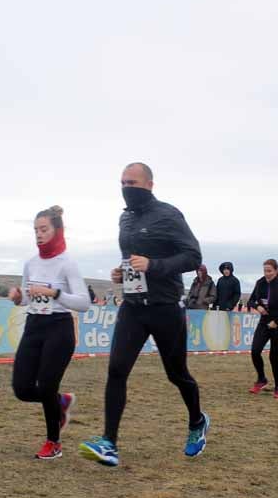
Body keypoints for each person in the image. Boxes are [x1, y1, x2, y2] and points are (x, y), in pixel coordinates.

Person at [79, 163, 209, 467]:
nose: (127, 188)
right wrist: (122, 272)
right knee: (116, 370)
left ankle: (197, 422)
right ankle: (109, 443)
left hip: (165, 307)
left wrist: (154, 265)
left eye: (132, 183)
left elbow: (193, 257)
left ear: (149, 185)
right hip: (133, 306)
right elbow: (131, 259)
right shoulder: (124, 218)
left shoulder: (169, 215)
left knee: (176, 374)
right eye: (123, 183)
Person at [7, 206, 91, 459]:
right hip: (34, 326)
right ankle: (60, 401)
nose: (38, 234)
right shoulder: (31, 263)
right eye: (35, 230)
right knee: (22, 389)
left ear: (57, 230)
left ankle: (53, 443)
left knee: (46, 385)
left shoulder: (67, 264)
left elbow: (84, 303)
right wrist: (19, 297)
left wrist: (54, 293)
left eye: (44, 229)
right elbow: (26, 299)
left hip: (59, 327)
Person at [247, 259, 278, 399]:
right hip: (264, 323)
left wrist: (277, 321)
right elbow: (250, 301)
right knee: (255, 351)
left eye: (269, 271)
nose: (267, 274)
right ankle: (261, 379)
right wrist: (258, 307)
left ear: (276, 271)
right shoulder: (260, 283)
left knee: (274, 357)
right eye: (265, 271)